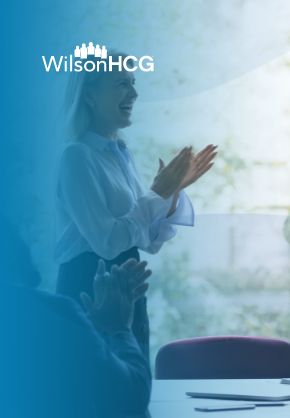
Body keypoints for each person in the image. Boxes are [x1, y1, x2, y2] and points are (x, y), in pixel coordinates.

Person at [54, 49, 217, 363]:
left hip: (128, 291)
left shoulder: (121, 154)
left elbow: (149, 240)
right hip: (88, 291)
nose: (134, 93)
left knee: (131, 393)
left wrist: (171, 192)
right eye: (121, 84)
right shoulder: (76, 156)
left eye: (133, 82)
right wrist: (158, 193)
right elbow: (107, 242)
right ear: (89, 95)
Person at [1, 216, 153, 418]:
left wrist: (90, 333)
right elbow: (133, 397)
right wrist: (119, 327)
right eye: (20, 233)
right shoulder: (54, 313)